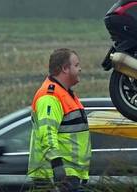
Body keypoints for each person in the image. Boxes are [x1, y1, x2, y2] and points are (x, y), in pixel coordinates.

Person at [28, 48, 91, 189]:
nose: (80, 69)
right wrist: (58, 168)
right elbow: (47, 135)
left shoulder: (65, 94)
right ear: (64, 68)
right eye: (76, 65)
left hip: (69, 175)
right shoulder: (50, 97)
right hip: (56, 176)